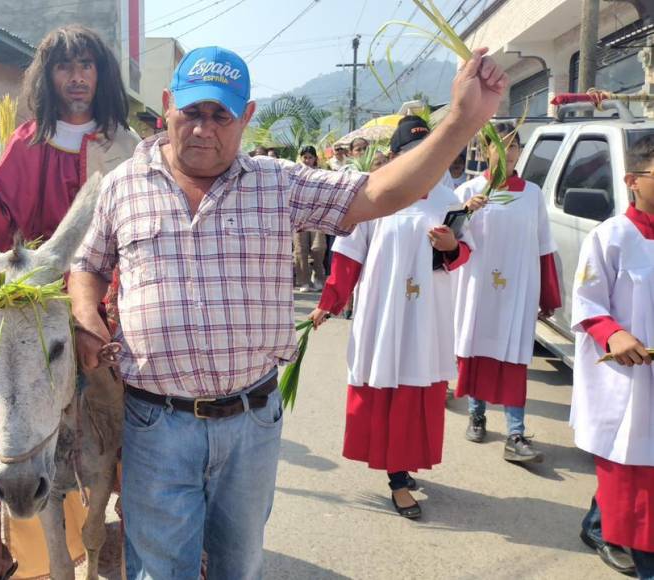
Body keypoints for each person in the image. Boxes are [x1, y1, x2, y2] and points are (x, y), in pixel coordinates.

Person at [69, 45, 506, 578]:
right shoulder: (121, 187)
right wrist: (88, 315)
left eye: (221, 115)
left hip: (250, 422)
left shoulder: (279, 184)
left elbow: (381, 192)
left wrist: (463, 119)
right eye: (192, 112)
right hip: (155, 421)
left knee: (239, 562)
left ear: (247, 117)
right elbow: (87, 265)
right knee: (159, 568)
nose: (204, 129)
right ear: (167, 106)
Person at [0, 24, 139, 580]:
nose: (78, 77)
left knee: (148, 401)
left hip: (111, 295)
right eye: (66, 67)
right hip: (33, 297)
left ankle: (135, 521)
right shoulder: (30, 140)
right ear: (50, 77)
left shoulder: (130, 147)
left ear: (101, 74)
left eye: (87, 65)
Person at [310, 115, 472, 521]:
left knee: (419, 388)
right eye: (410, 155)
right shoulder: (374, 197)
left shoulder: (447, 201)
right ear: (396, 158)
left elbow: (465, 254)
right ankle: (397, 480)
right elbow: (348, 255)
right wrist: (330, 301)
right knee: (389, 384)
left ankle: (405, 464)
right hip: (385, 315)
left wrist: (452, 246)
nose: (420, 163)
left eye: (426, 155)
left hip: (428, 316)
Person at [571, 134, 654, 579]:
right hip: (630, 378)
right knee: (634, 466)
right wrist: (614, 334)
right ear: (633, 181)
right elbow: (587, 302)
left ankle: (597, 523)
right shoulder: (612, 236)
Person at [454, 123, 561, 462]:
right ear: (485, 150)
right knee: (477, 349)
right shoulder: (469, 190)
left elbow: (544, 246)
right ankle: (476, 414)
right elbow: (449, 240)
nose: (508, 152)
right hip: (477, 291)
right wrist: (466, 211)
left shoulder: (532, 194)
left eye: (514, 146)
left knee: (513, 358)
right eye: (500, 146)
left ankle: (515, 432)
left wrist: (549, 295)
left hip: (517, 292)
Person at [294, 145, 327, 292]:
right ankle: (304, 281)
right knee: (301, 249)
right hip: (298, 214)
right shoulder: (293, 173)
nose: (307, 160)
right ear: (301, 158)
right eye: (305, 157)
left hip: (318, 214)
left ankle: (319, 277)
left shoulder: (322, 174)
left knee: (318, 247)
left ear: (315, 159)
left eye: (310, 157)